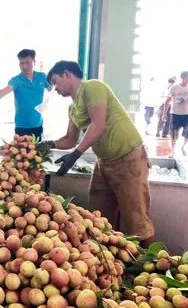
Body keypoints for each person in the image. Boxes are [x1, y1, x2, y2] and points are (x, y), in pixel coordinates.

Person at [42, 60, 155, 248]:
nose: (55, 88)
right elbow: (70, 139)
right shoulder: (73, 108)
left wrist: (75, 155)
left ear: (67, 74)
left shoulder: (92, 87)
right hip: (105, 163)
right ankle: (112, 261)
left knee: (136, 219)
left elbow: (99, 124)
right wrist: (48, 144)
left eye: (55, 81)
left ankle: (153, 267)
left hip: (128, 158)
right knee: (99, 218)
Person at [0, 49, 52, 139]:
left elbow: (53, 89)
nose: (24, 66)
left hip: (37, 124)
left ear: (34, 61)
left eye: (27, 62)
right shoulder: (16, 80)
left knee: (37, 152)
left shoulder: (42, 77)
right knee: (21, 152)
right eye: (21, 63)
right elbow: (4, 91)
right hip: (21, 127)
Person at [163, 71, 188, 156]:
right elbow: (167, 101)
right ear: (183, 78)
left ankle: (183, 146)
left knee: (187, 134)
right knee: (174, 134)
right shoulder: (174, 87)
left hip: (187, 115)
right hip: (175, 114)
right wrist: (164, 114)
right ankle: (172, 151)